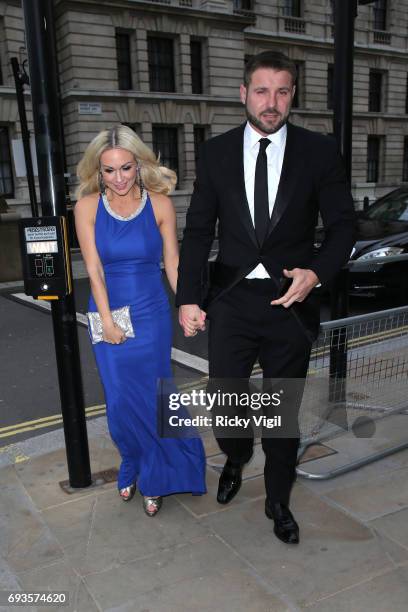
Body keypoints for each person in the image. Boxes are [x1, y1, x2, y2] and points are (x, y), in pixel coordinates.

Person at [176, 51, 356, 543]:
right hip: (232, 300)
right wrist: (189, 298)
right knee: (225, 401)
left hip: (289, 303)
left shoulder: (318, 152)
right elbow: (196, 232)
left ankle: (278, 498)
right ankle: (235, 455)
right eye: (262, 90)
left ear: (293, 94)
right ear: (243, 94)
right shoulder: (215, 153)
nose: (271, 102)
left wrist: (316, 274)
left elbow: (344, 227)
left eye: (281, 91)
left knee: (281, 410)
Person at [75, 125, 206, 517]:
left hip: (150, 312)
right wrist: (106, 320)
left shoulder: (161, 204)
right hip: (107, 310)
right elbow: (93, 270)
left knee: (153, 397)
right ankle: (131, 459)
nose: (118, 178)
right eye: (109, 170)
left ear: (139, 165)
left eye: (126, 168)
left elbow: (173, 264)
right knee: (119, 403)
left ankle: (156, 473)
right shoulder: (87, 207)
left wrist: (189, 304)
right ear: (98, 171)